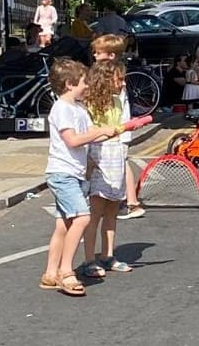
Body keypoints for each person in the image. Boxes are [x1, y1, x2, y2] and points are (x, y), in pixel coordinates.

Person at [39, 59, 117, 297]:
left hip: (75, 173)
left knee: (64, 223)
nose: (88, 86)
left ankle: (51, 273)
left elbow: (89, 137)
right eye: (84, 82)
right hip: (62, 173)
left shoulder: (80, 108)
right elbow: (72, 140)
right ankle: (66, 271)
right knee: (83, 217)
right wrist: (98, 132)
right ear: (70, 83)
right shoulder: (62, 108)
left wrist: (109, 132)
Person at [80, 59, 133, 279]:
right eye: (119, 79)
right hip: (97, 156)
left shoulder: (118, 101)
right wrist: (88, 163)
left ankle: (108, 254)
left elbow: (121, 130)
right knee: (95, 212)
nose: (122, 84)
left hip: (116, 155)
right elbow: (88, 133)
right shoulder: (89, 103)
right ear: (106, 79)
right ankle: (89, 259)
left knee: (112, 210)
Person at [90, 34, 144, 221]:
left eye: (98, 53)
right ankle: (127, 201)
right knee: (122, 164)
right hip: (116, 132)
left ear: (111, 56)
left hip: (117, 132)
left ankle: (129, 202)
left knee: (121, 165)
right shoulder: (110, 74)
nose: (95, 56)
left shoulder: (112, 77)